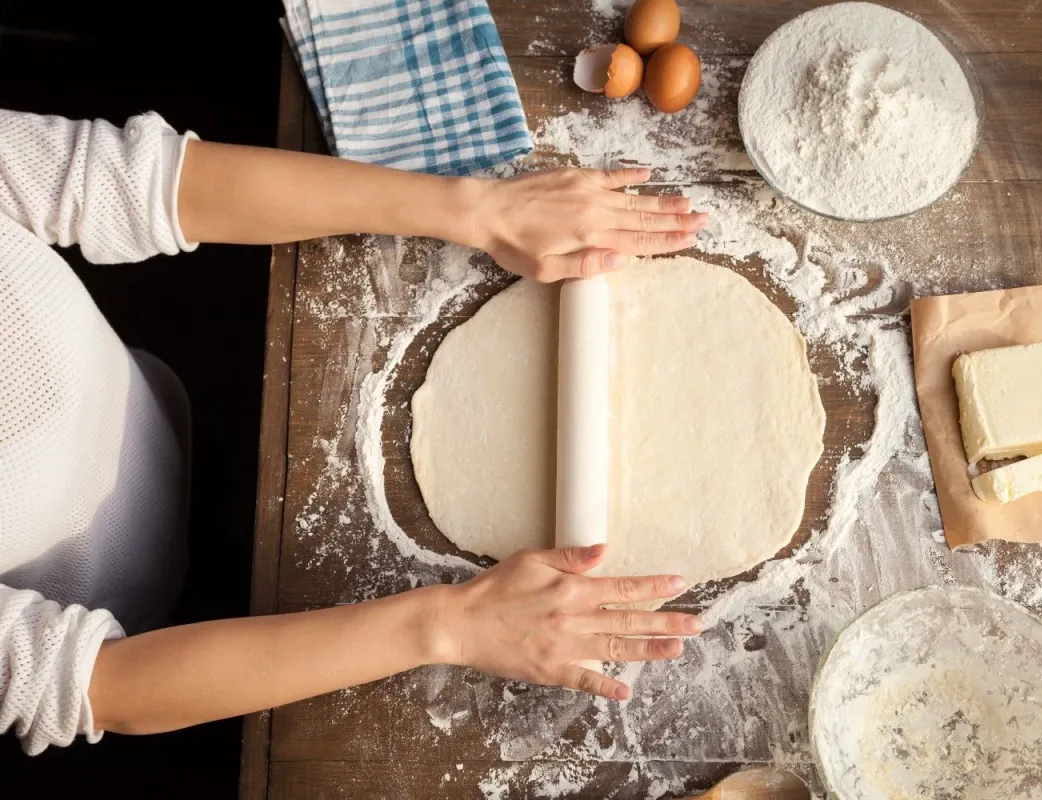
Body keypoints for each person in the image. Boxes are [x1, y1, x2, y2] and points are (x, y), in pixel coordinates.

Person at [0, 109, 709, 755]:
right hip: (148, 628)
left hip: (168, 414)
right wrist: (452, 625)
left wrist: (481, 209)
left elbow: (137, 183)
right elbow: (101, 686)